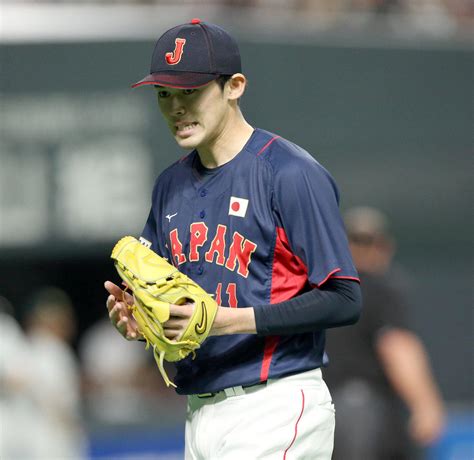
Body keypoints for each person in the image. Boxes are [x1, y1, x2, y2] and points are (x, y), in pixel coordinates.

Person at [105, 18, 361, 459]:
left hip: (275, 404)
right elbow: (173, 297)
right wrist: (142, 321)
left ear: (234, 86)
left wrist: (227, 319)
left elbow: (344, 298)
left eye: (190, 91)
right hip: (199, 410)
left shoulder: (288, 173)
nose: (176, 108)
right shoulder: (171, 185)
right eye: (164, 94)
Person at [324, 206, 445, 460]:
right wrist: (425, 404)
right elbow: (396, 345)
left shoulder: (318, 290)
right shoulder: (380, 286)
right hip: (363, 412)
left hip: (319, 412)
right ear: (386, 246)